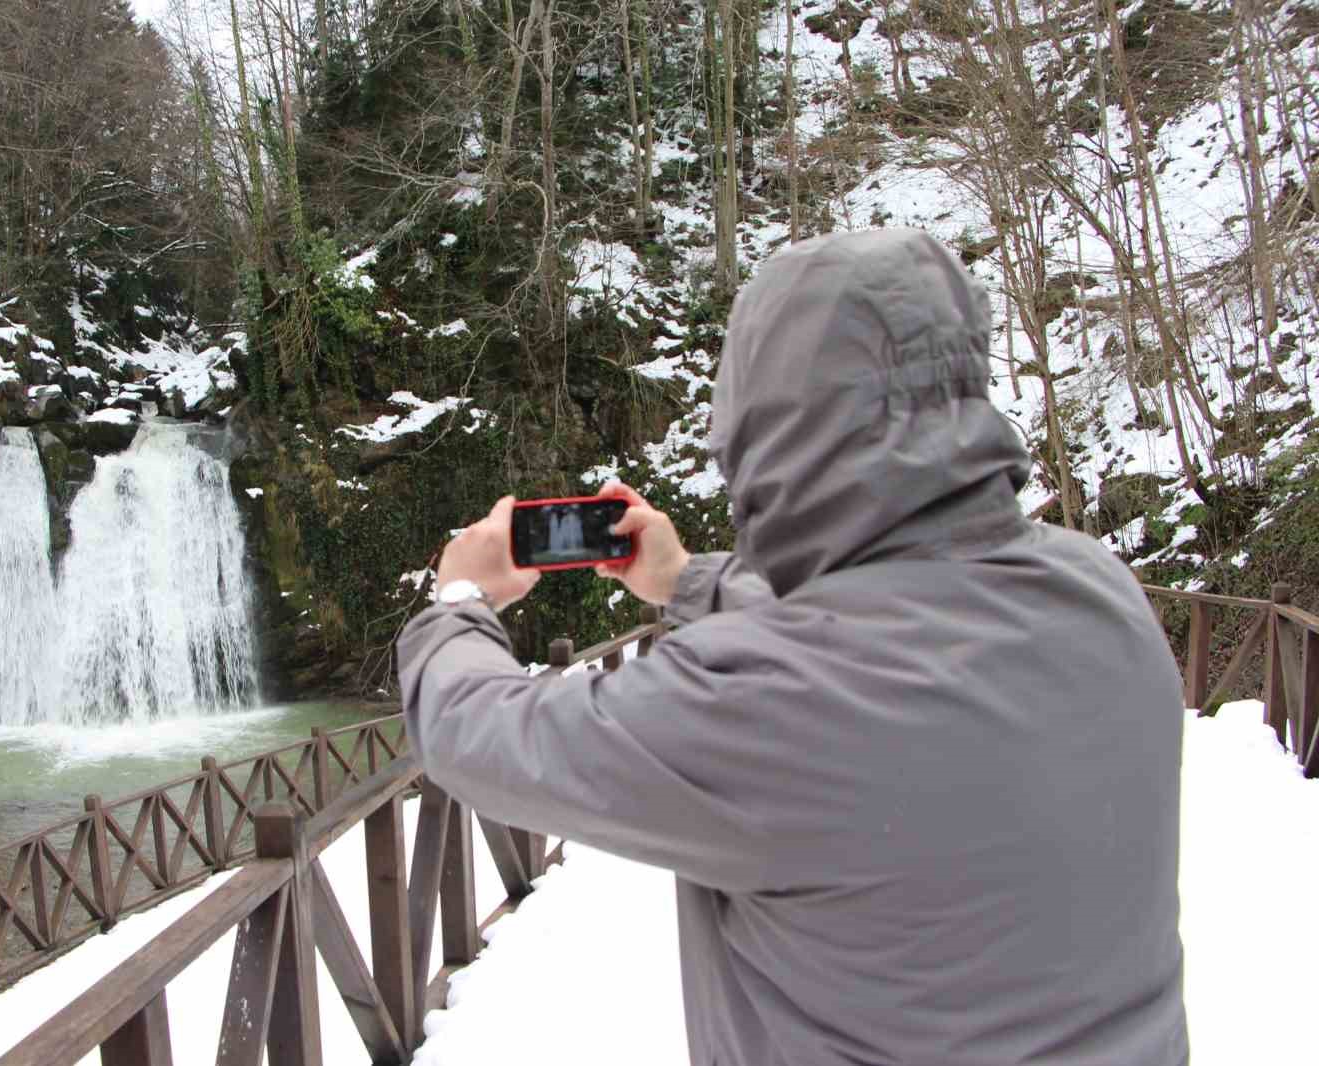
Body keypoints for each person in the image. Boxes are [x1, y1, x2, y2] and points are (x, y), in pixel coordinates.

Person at [396, 228, 1188, 1065]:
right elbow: (894, 603)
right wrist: (683, 581)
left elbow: (475, 733)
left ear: (765, 424)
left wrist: (461, 597)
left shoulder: (768, 697)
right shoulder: (1100, 590)